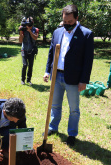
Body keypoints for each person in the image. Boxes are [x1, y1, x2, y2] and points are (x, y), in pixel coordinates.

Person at [43, 5, 94, 146]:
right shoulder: (57, 32)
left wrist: (84, 80)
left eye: (70, 22)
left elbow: (88, 61)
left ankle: (72, 134)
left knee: (74, 109)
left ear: (77, 18)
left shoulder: (86, 34)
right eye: (65, 21)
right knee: (55, 105)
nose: (67, 25)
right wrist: (47, 71)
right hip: (56, 75)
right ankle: (53, 128)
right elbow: (51, 53)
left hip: (74, 79)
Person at [19, 17, 39, 86]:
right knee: (25, 65)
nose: (29, 26)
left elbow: (35, 38)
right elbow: (20, 41)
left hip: (32, 50)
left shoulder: (35, 29)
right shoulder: (23, 29)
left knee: (30, 65)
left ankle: (29, 80)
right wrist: (21, 33)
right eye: (27, 24)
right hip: (24, 49)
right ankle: (22, 80)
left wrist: (30, 31)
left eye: (30, 25)